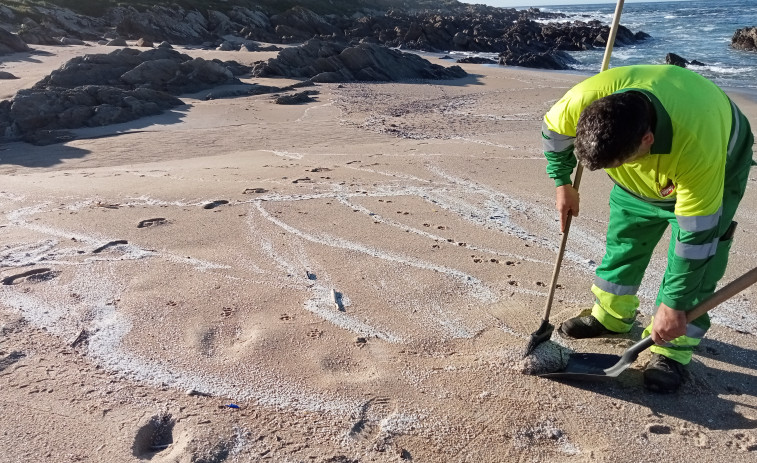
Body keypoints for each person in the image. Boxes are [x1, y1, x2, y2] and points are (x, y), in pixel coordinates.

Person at [541, 64, 754, 393]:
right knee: (625, 238)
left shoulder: (698, 149)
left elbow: (695, 240)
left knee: (701, 262)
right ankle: (612, 316)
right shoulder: (580, 102)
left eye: (618, 163)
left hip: (717, 161)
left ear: (647, 140)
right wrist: (561, 182)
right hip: (642, 174)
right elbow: (553, 134)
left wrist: (673, 305)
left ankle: (672, 349)